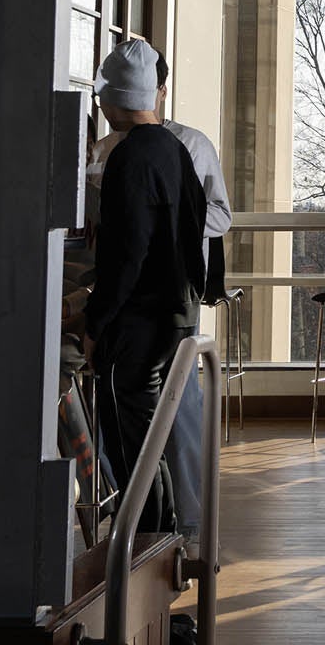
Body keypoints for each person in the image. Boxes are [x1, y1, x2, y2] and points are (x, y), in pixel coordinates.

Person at [83, 43, 231, 546]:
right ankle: (165, 540)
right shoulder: (172, 151)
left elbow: (126, 257)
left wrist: (94, 321)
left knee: (140, 444)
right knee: (156, 438)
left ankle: (147, 547)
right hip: (175, 316)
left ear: (112, 99)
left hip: (140, 323)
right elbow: (186, 235)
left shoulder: (130, 156)